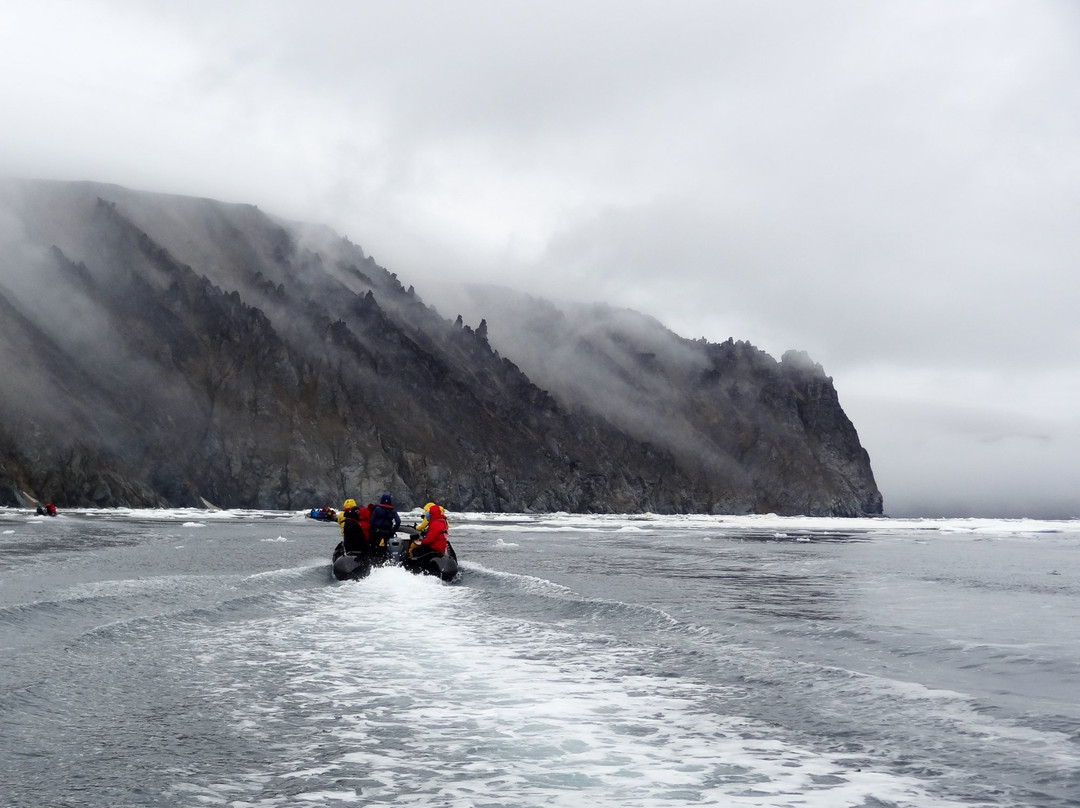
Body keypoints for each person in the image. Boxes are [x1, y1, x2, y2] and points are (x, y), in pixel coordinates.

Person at [409, 502, 449, 568]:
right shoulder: (441, 522)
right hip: (440, 546)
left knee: (415, 550)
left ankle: (416, 567)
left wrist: (423, 543)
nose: (428, 514)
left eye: (429, 512)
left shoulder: (435, 523)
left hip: (435, 547)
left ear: (433, 513)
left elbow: (430, 538)